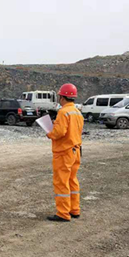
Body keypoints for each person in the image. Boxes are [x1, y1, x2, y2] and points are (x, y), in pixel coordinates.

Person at [46, 83, 84, 222]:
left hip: (64, 152)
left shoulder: (63, 112)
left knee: (61, 182)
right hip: (75, 150)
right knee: (72, 180)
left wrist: (50, 133)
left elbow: (59, 132)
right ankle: (74, 209)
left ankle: (63, 213)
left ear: (62, 97)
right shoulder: (77, 112)